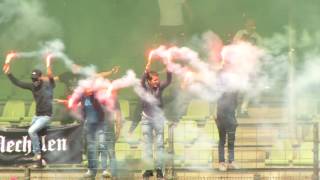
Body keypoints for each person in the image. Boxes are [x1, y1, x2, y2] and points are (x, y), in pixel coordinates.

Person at [3, 61, 55, 162]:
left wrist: (48, 64)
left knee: (31, 131)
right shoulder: (32, 86)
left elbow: (50, 76)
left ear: (40, 78)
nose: (34, 81)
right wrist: (9, 74)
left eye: (36, 79)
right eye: (32, 79)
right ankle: (33, 153)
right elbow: (18, 83)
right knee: (30, 131)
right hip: (37, 116)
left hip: (46, 116)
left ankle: (38, 154)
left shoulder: (48, 85)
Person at [129, 60, 172, 179]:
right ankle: (148, 170)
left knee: (159, 145)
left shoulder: (160, 87)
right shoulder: (144, 87)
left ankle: (159, 170)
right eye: (155, 80)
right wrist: (145, 72)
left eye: (158, 79)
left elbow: (168, 81)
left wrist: (169, 68)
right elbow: (141, 82)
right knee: (147, 146)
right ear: (149, 81)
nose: (158, 82)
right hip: (146, 119)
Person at [68, 87, 121, 179]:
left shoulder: (97, 96)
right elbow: (83, 111)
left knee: (104, 147)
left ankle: (109, 172)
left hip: (102, 125)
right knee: (91, 149)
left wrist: (118, 127)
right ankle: (92, 171)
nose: (88, 90)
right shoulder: (83, 98)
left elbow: (112, 113)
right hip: (90, 126)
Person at [233, 18, 262, 117]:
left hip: (251, 67)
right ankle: (236, 110)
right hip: (240, 66)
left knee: (249, 89)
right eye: (249, 24)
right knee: (239, 89)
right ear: (245, 25)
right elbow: (234, 45)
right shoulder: (240, 33)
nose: (251, 26)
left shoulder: (257, 37)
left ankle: (243, 109)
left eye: (253, 25)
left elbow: (260, 51)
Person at [215, 70, 239, 171]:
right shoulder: (219, 89)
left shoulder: (234, 89)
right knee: (222, 140)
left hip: (231, 117)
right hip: (221, 117)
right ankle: (221, 162)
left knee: (231, 140)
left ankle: (231, 161)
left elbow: (236, 102)